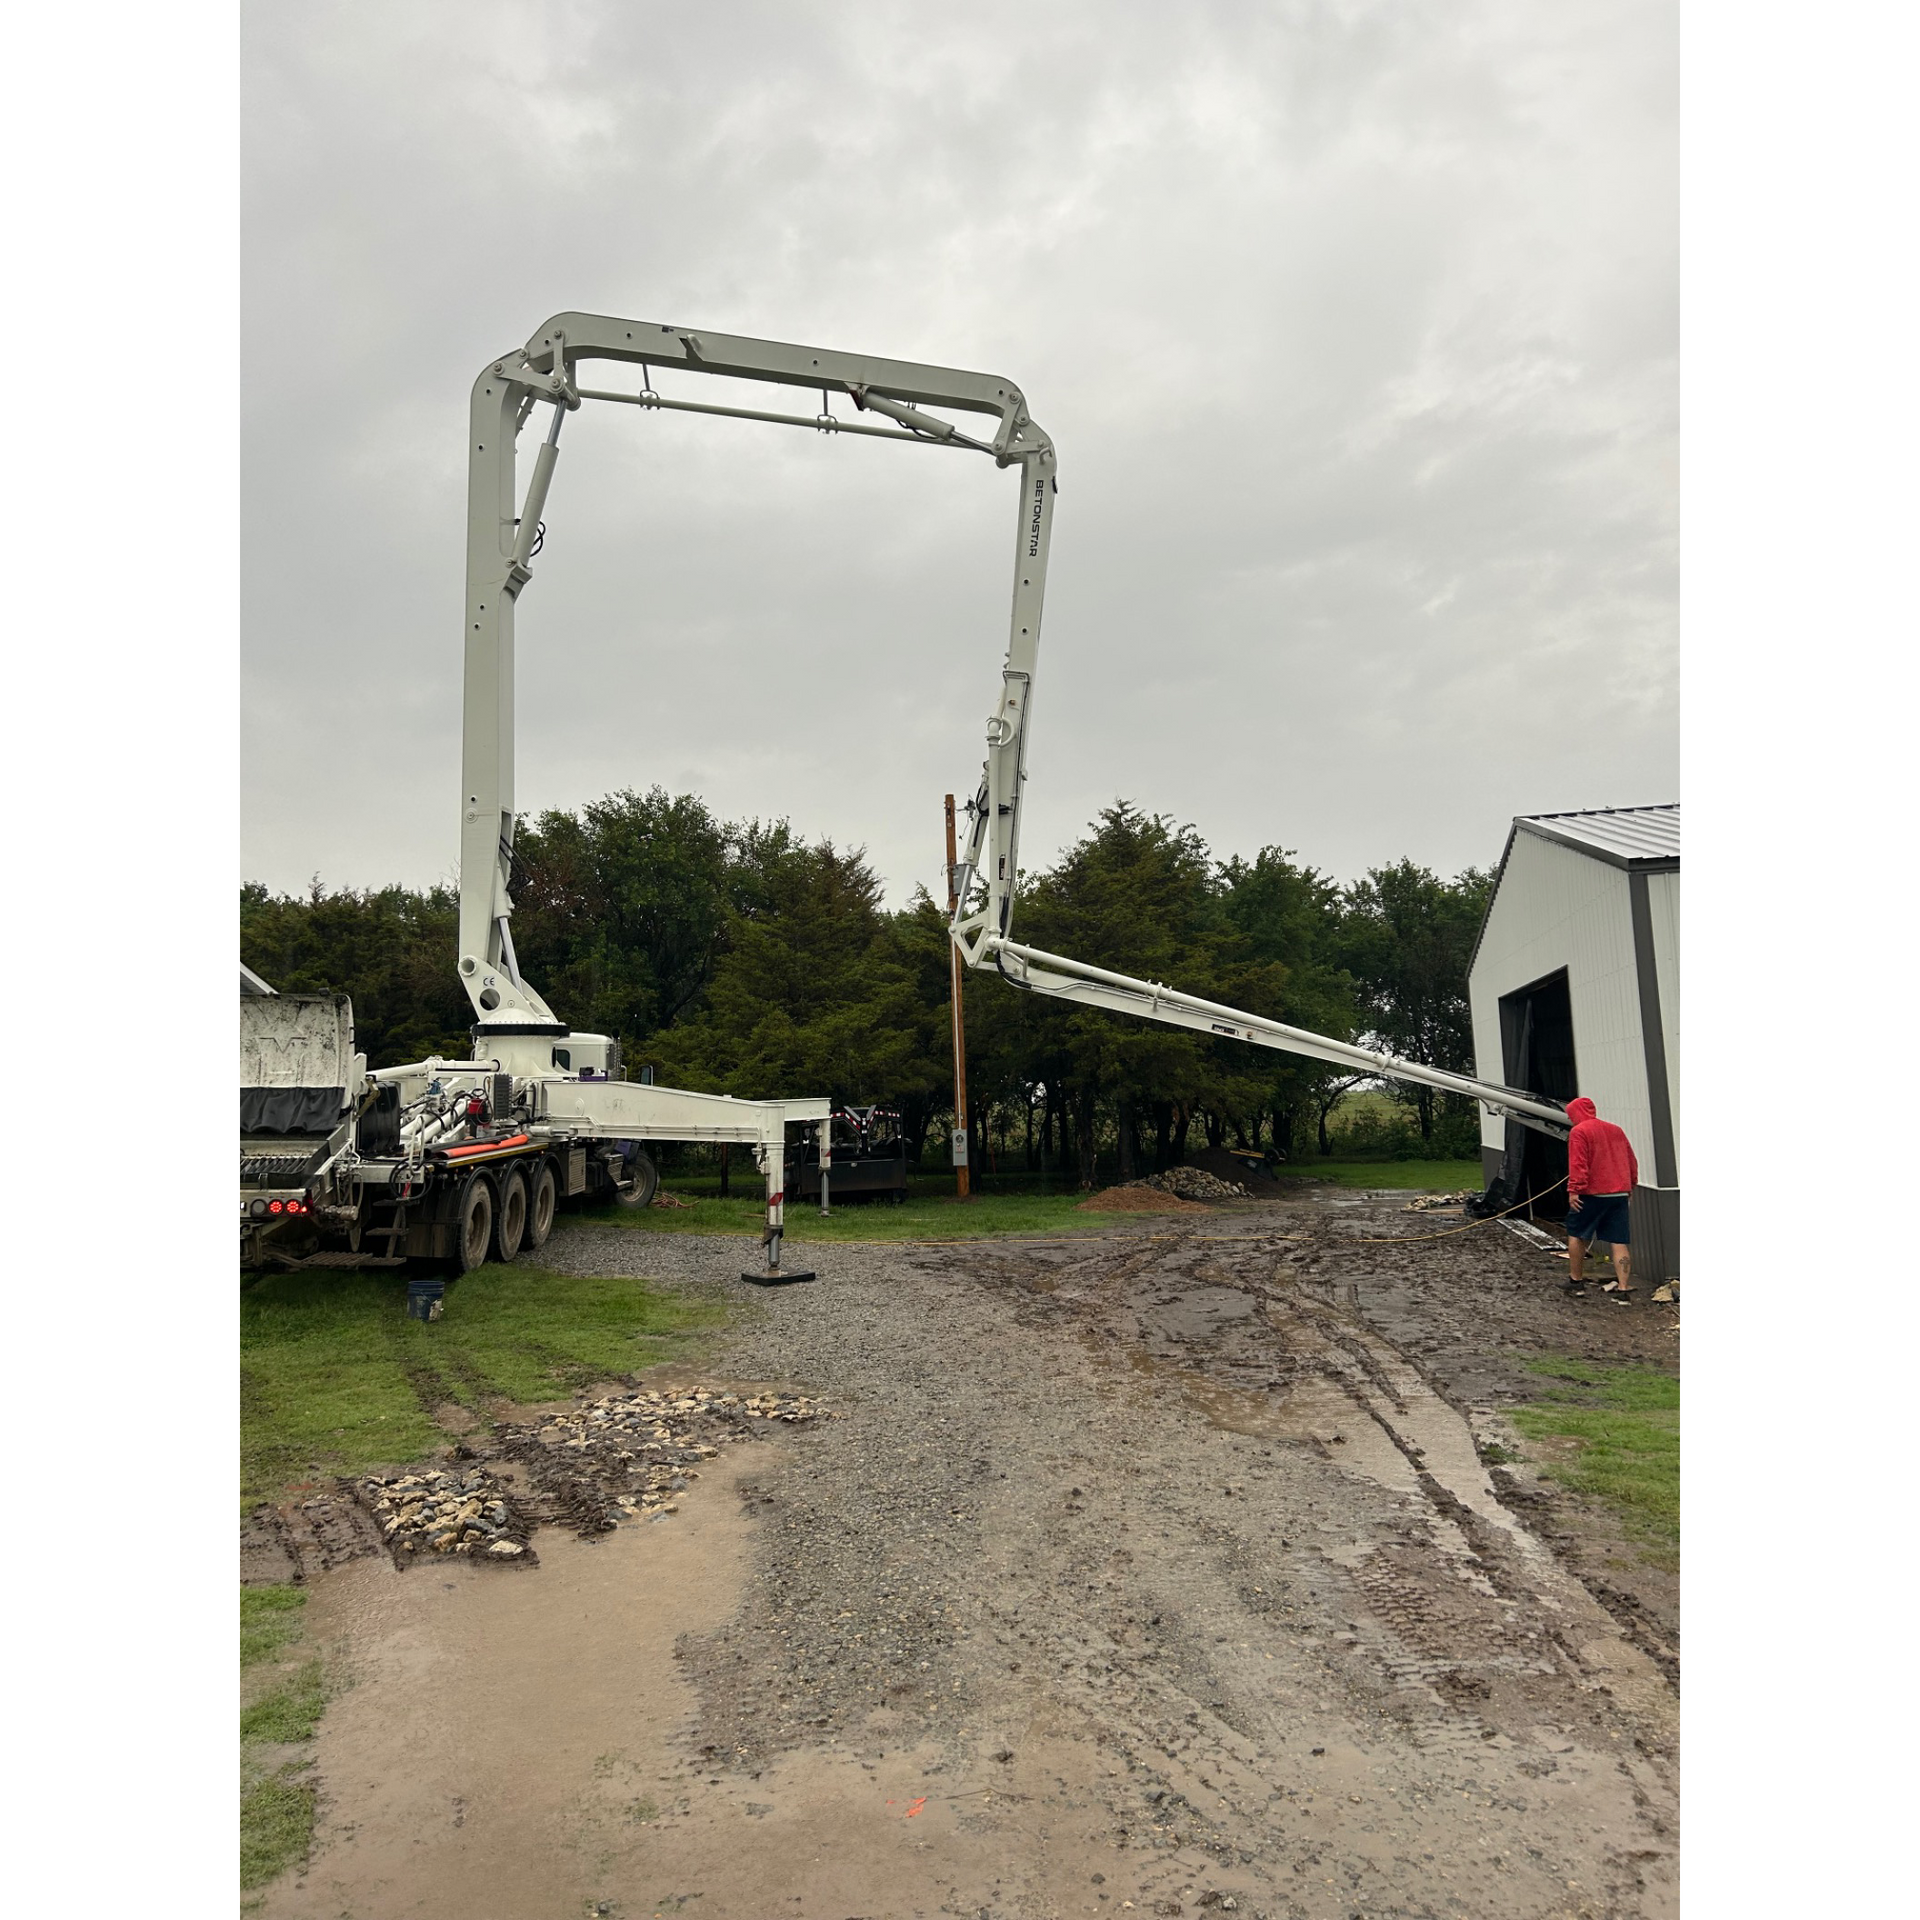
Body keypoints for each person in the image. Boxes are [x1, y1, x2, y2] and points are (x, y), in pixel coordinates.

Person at [1562, 1095, 1638, 1300]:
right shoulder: (1616, 1129)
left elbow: (1578, 1163)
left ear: (1576, 1113)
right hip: (1619, 1193)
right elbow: (1631, 1159)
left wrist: (1574, 1189)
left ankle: (1576, 1281)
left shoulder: (1579, 1131)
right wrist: (1630, 1184)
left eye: (1571, 1115)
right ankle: (1623, 1288)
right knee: (1618, 1241)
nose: (1570, 1120)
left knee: (1577, 1234)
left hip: (1591, 1193)